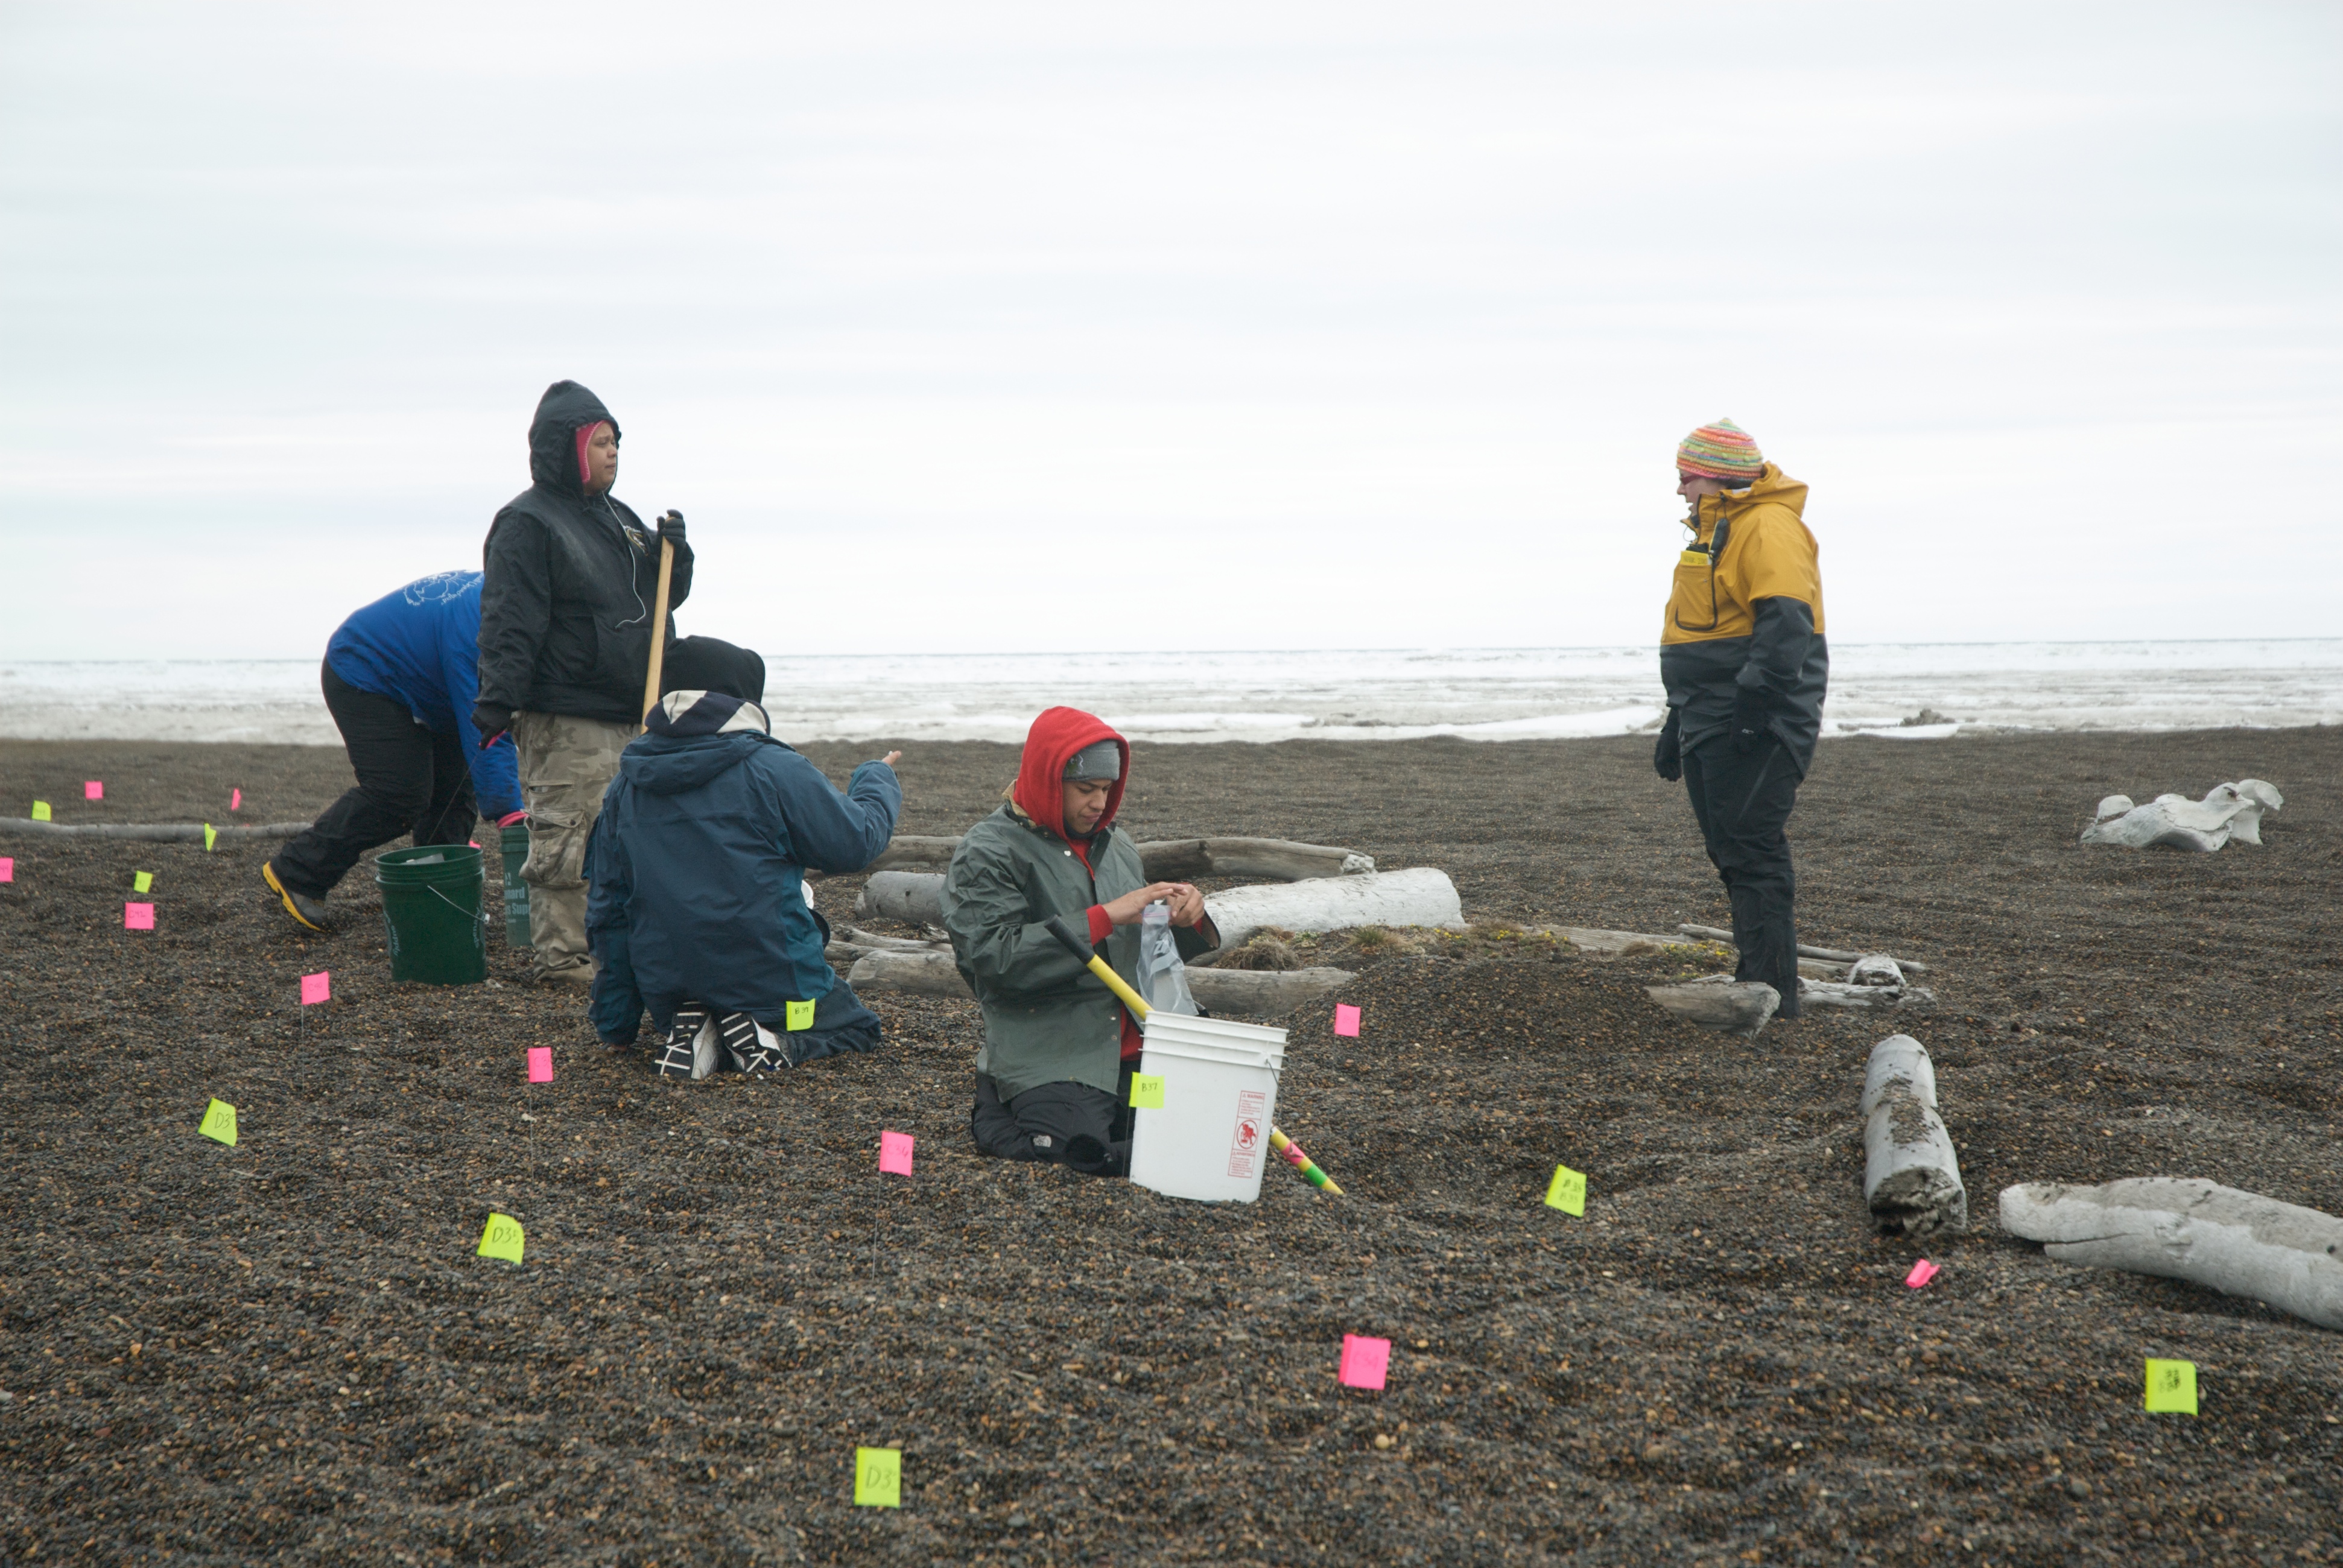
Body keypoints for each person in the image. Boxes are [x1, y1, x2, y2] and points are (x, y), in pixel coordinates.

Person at [583, 640, 903, 1078]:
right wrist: (876, 777)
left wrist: (616, 1027)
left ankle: (703, 1029)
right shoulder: (771, 766)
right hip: (776, 989)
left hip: (670, 991)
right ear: (746, 697)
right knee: (855, 1027)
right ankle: (775, 1038)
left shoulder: (626, 785)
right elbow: (856, 843)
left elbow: (608, 910)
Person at [474, 379, 694, 986]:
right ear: (565, 448)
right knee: (569, 837)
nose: (612, 452)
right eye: (599, 442)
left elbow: (659, 599)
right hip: (566, 713)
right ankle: (566, 956)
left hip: (632, 710)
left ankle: (619, 948)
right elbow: (509, 618)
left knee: (632, 836)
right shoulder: (528, 522)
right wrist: (497, 699)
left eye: (616, 441)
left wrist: (675, 555)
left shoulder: (619, 519)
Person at [939, 707, 1219, 1175]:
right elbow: (994, 958)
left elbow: (1148, 955)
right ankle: (998, 1101)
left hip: (1140, 1047)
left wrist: (1186, 917)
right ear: (1049, 779)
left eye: (1107, 790)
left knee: (1210, 1129)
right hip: (1057, 1047)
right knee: (1077, 1152)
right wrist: (1105, 917)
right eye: (1086, 789)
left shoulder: (1117, 845)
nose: (1099, 803)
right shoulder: (988, 851)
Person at [1652, 418, 1828, 1017]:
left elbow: (1784, 628)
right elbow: (1703, 637)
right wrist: (1677, 721)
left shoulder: (1767, 528)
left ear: (1717, 478)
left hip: (1755, 719)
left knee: (1752, 851)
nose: (1678, 489)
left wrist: (1754, 716)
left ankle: (1774, 993)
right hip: (1707, 713)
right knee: (1728, 851)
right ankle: (1755, 977)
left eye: (1685, 478)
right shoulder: (1712, 535)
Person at [262, 571, 523, 930]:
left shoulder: (521, 600)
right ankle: (298, 871)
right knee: (399, 794)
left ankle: (437, 894)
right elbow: (488, 725)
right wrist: (509, 811)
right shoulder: (478, 630)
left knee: (454, 793)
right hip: (362, 669)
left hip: (431, 684)